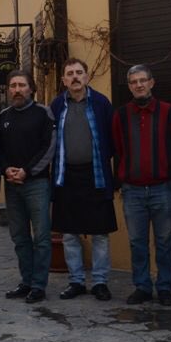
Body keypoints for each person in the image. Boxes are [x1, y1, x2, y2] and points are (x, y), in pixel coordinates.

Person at [112, 64, 171, 306]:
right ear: (129, 86)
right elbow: (118, 149)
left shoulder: (168, 112)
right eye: (134, 82)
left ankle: (164, 287)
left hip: (163, 189)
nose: (139, 85)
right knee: (137, 242)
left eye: (143, 80)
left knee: (165, 242)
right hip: (132, 190)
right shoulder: (121, 115)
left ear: (151, 83)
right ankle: (142, 286)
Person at [50, 58, 118, 302]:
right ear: (64, 80)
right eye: (70, 73)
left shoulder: (101, 103)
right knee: (69, 234)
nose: (75, 77)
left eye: (79, 72)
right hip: (66, 176)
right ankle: (76, 281)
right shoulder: (57, 105)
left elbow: (113, 140)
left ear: (87, 76)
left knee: (100, 233)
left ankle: (100, 282)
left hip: (96, 175)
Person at [0, 70, 56, 304]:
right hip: (12, 186)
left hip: (37, 184)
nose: (17, 90)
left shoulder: (43, 113)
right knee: (19, 237)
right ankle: (27, 281)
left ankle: (39, 285)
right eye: (13, 86)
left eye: (22, 85)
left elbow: (49, 147)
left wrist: (27, 171)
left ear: (31, 89)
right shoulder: (3, 116)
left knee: (41, 237)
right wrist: (6, 169)